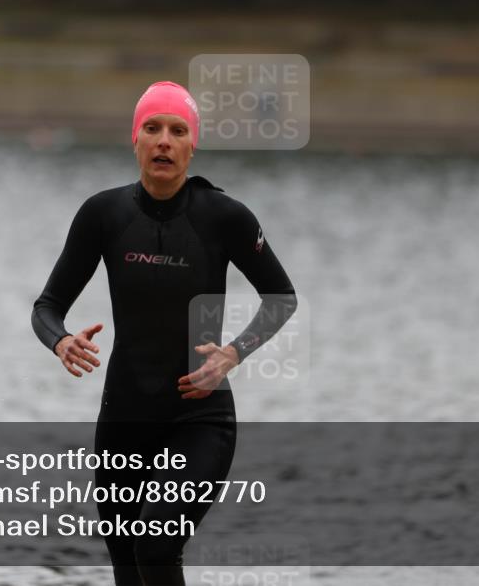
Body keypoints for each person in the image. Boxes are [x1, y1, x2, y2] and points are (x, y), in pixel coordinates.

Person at [32, 81, 297, 585]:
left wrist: (233, 354)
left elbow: (281, 297)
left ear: (191, 145)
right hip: (124, 418)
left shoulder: (225, 217)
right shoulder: (103, 215)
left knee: (155, 542)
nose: (164, 141)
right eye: (152, 128)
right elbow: (47, 307)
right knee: (129, 565)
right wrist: (61, 340)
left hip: (199, 417)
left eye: (177, 131)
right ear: (135, 139)